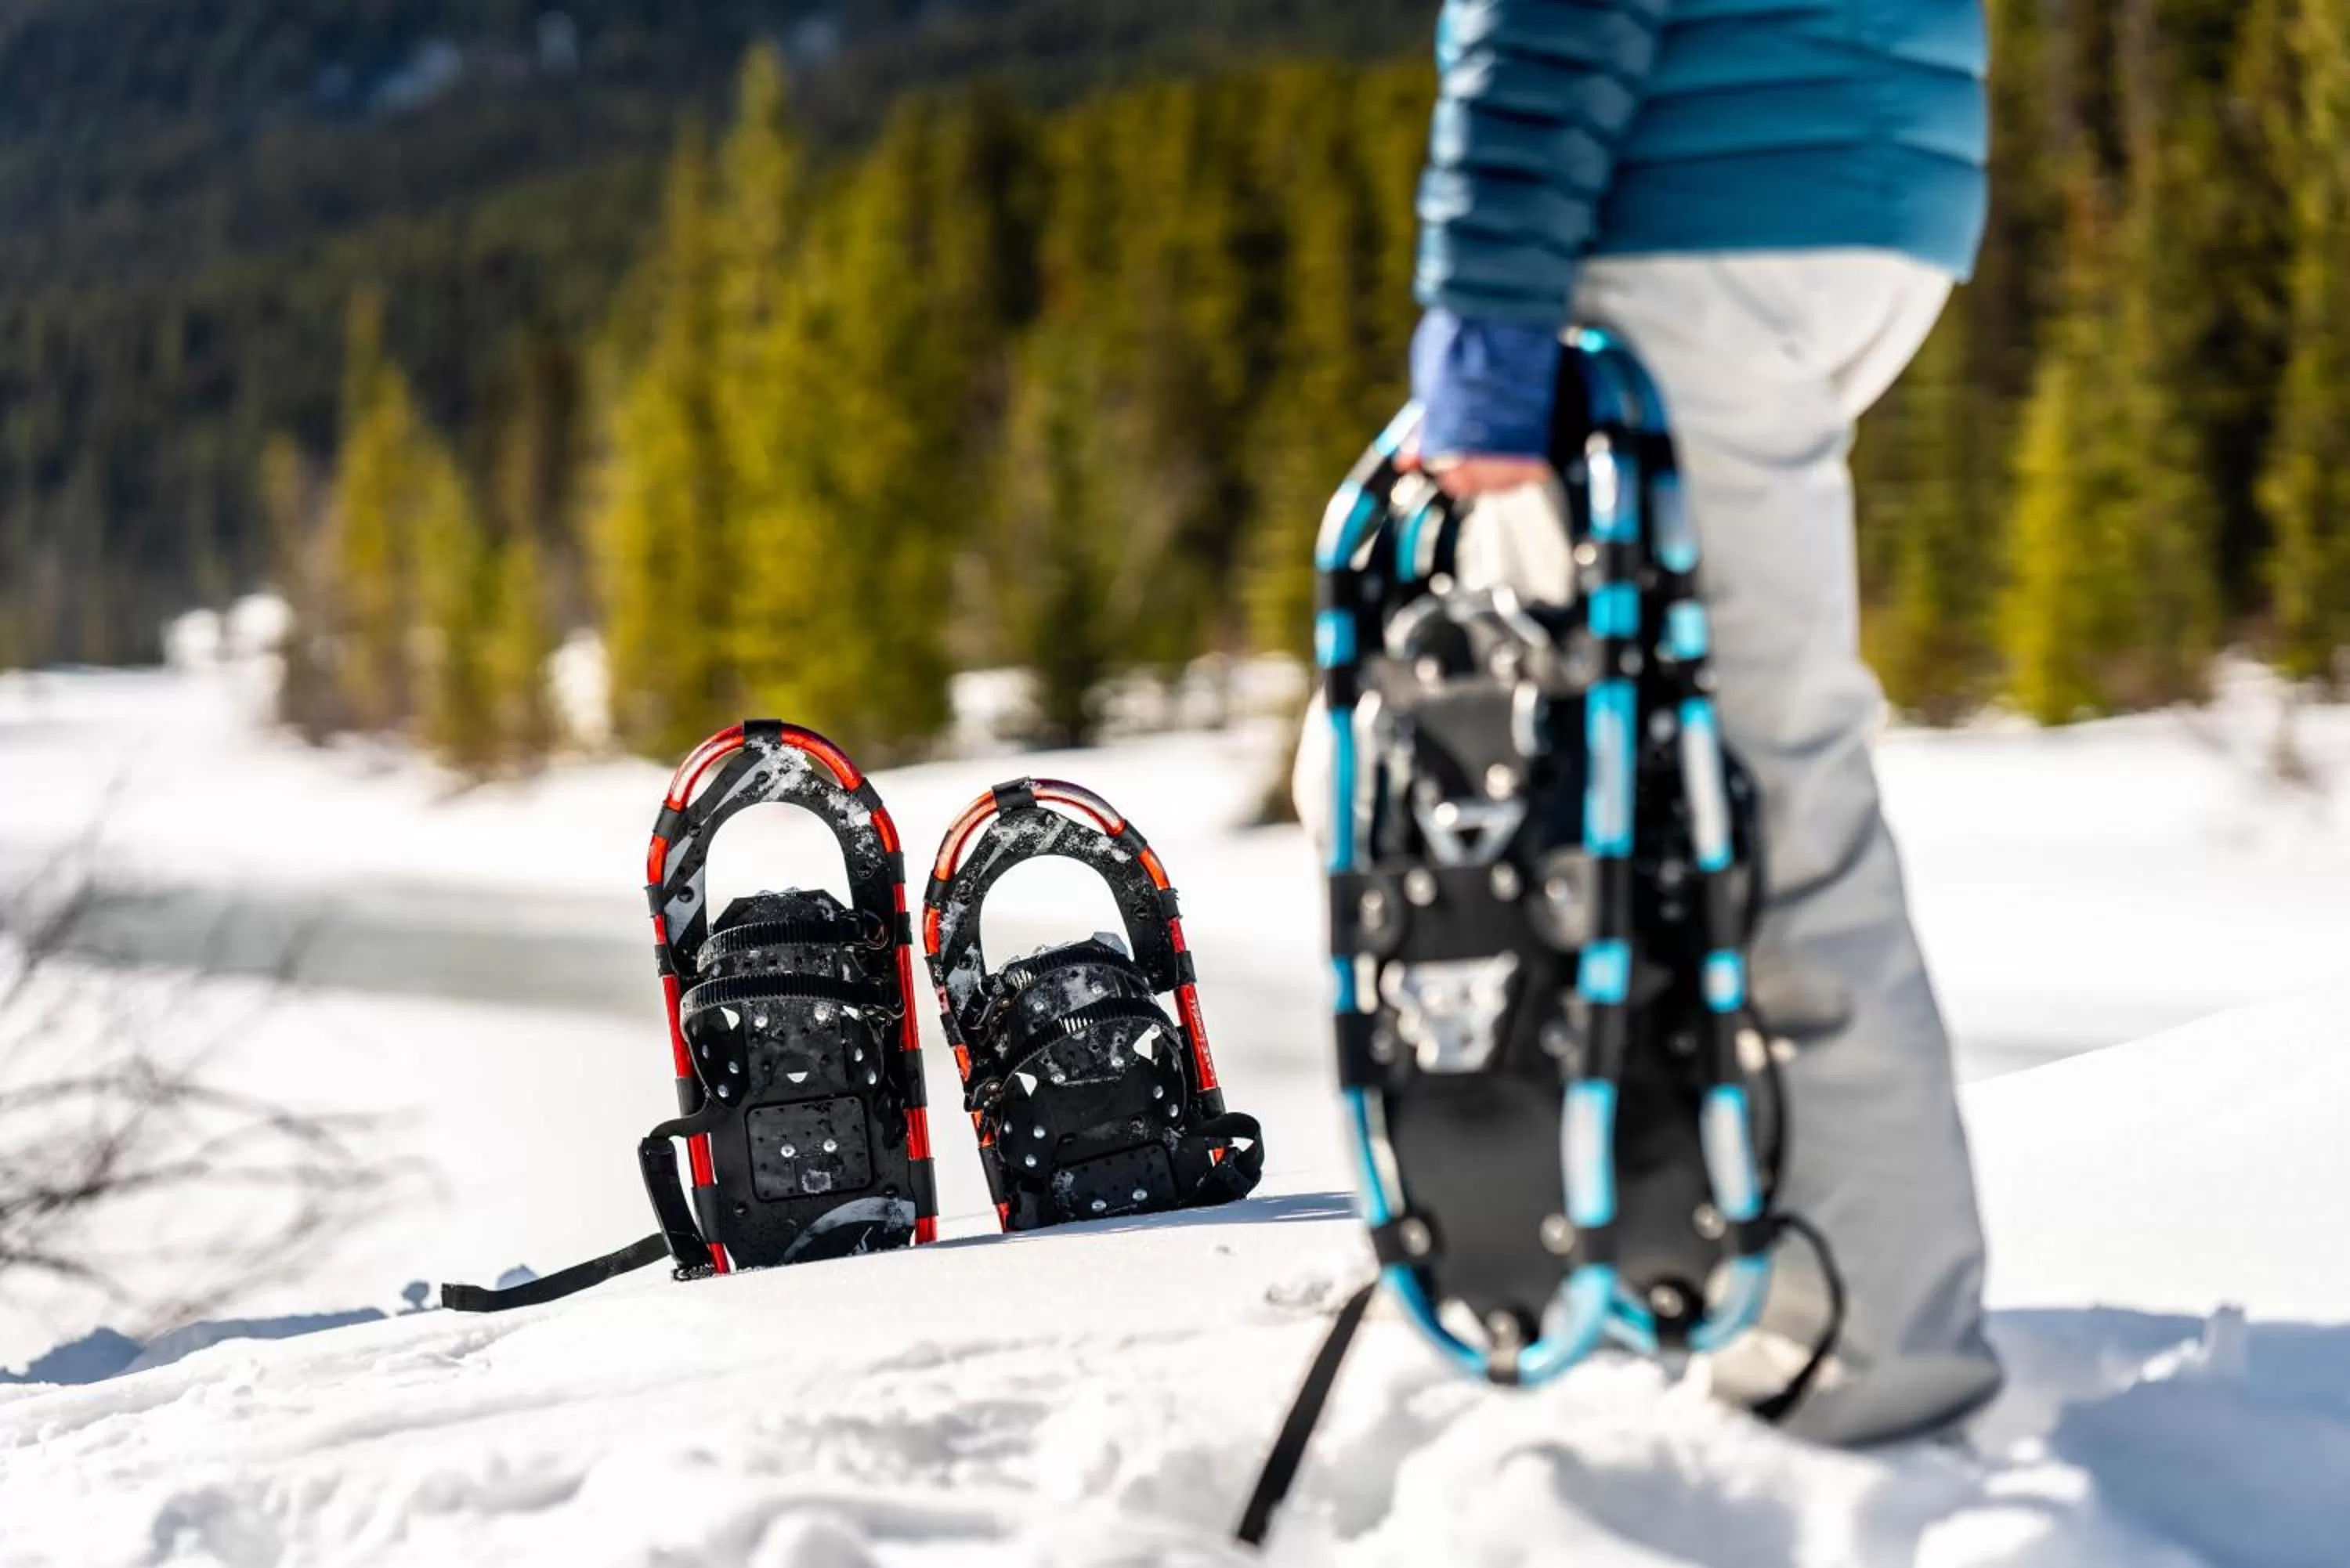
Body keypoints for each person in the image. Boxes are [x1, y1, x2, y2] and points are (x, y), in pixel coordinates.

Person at [1300, 0, 2001, 1443]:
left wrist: (1484, 311)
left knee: (1747, 790)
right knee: (1656, 770)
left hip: (1700, 202)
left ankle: (1867, 1360)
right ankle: (1631, 1233)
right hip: (1847, 174)